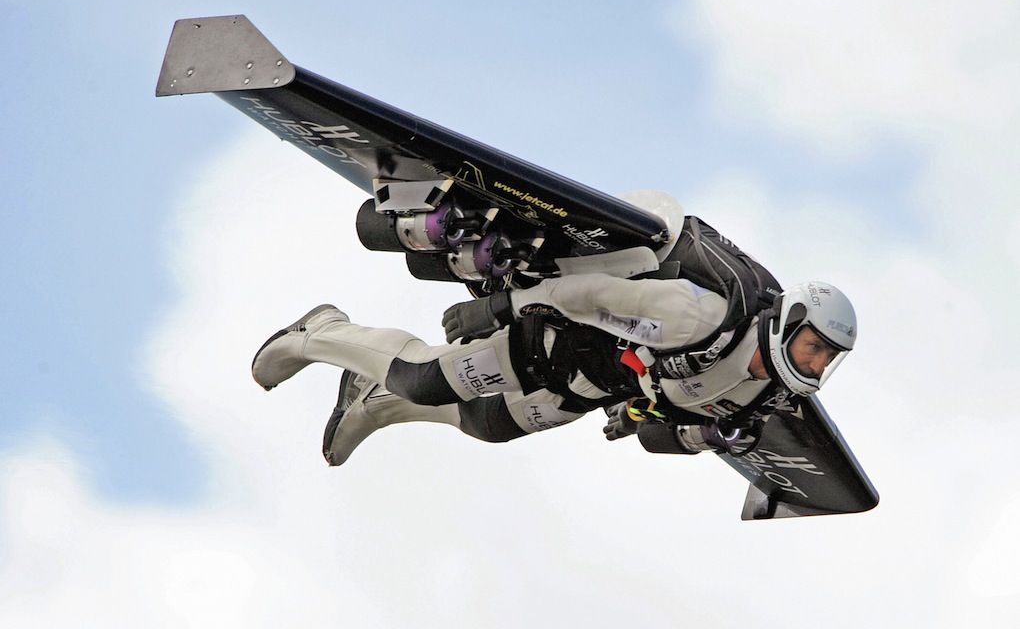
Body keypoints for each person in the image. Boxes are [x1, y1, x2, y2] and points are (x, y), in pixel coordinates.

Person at [250, 196, 857, 465]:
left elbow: (655, 434)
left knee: (488, 425)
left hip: (592, 384)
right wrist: (504, 307)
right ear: (788, 323)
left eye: (827, 359)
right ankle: (318, 331)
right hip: (563, 335)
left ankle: (372, 402)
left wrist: (699, 437)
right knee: (424, 379)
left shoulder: (764, 396)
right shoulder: (700, 316)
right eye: (814, 348)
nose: (815, 366)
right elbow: (588, 298)